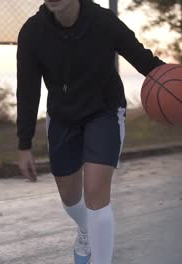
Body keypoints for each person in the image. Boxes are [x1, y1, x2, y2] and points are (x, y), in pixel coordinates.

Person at [16, 0, 165, 263]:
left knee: (96, 192)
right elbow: (28, 91)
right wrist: (24, 144)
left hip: (104, 111)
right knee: (71, 199)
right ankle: (85, 229)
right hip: (63, 117)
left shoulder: (103, 21)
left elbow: (145, 61)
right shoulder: (32, 33)